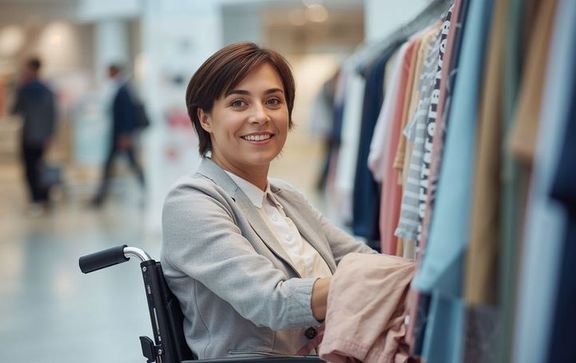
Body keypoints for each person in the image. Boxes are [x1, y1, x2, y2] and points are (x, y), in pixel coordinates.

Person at [161, 42, 376, 359]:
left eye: (273, 101)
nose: (261, 116)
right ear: (205, 118)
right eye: (238, 103)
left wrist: (403, 274)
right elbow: (271, 301)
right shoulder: (191, 202)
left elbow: (361, 259)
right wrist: (378, 284)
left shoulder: (285, 197)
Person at [90, 64, 145, 207]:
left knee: (131, 165)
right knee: (113, 165)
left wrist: (125, 135)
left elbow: (127, 114)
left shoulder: (124, 89)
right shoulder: (122, 88)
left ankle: (146, 191)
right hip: (119, 136)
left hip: (121, 136)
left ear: (115, 71)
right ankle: (100, 197)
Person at [11, 57, 57, 212]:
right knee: (40, 167)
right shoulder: (47, 89)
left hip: (29, 135)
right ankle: (44, 198)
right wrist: (50, 134)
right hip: (43, 136)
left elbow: (15, 111)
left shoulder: (24, 89)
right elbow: (53, 114)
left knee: (31, 169)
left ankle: (36, 200)